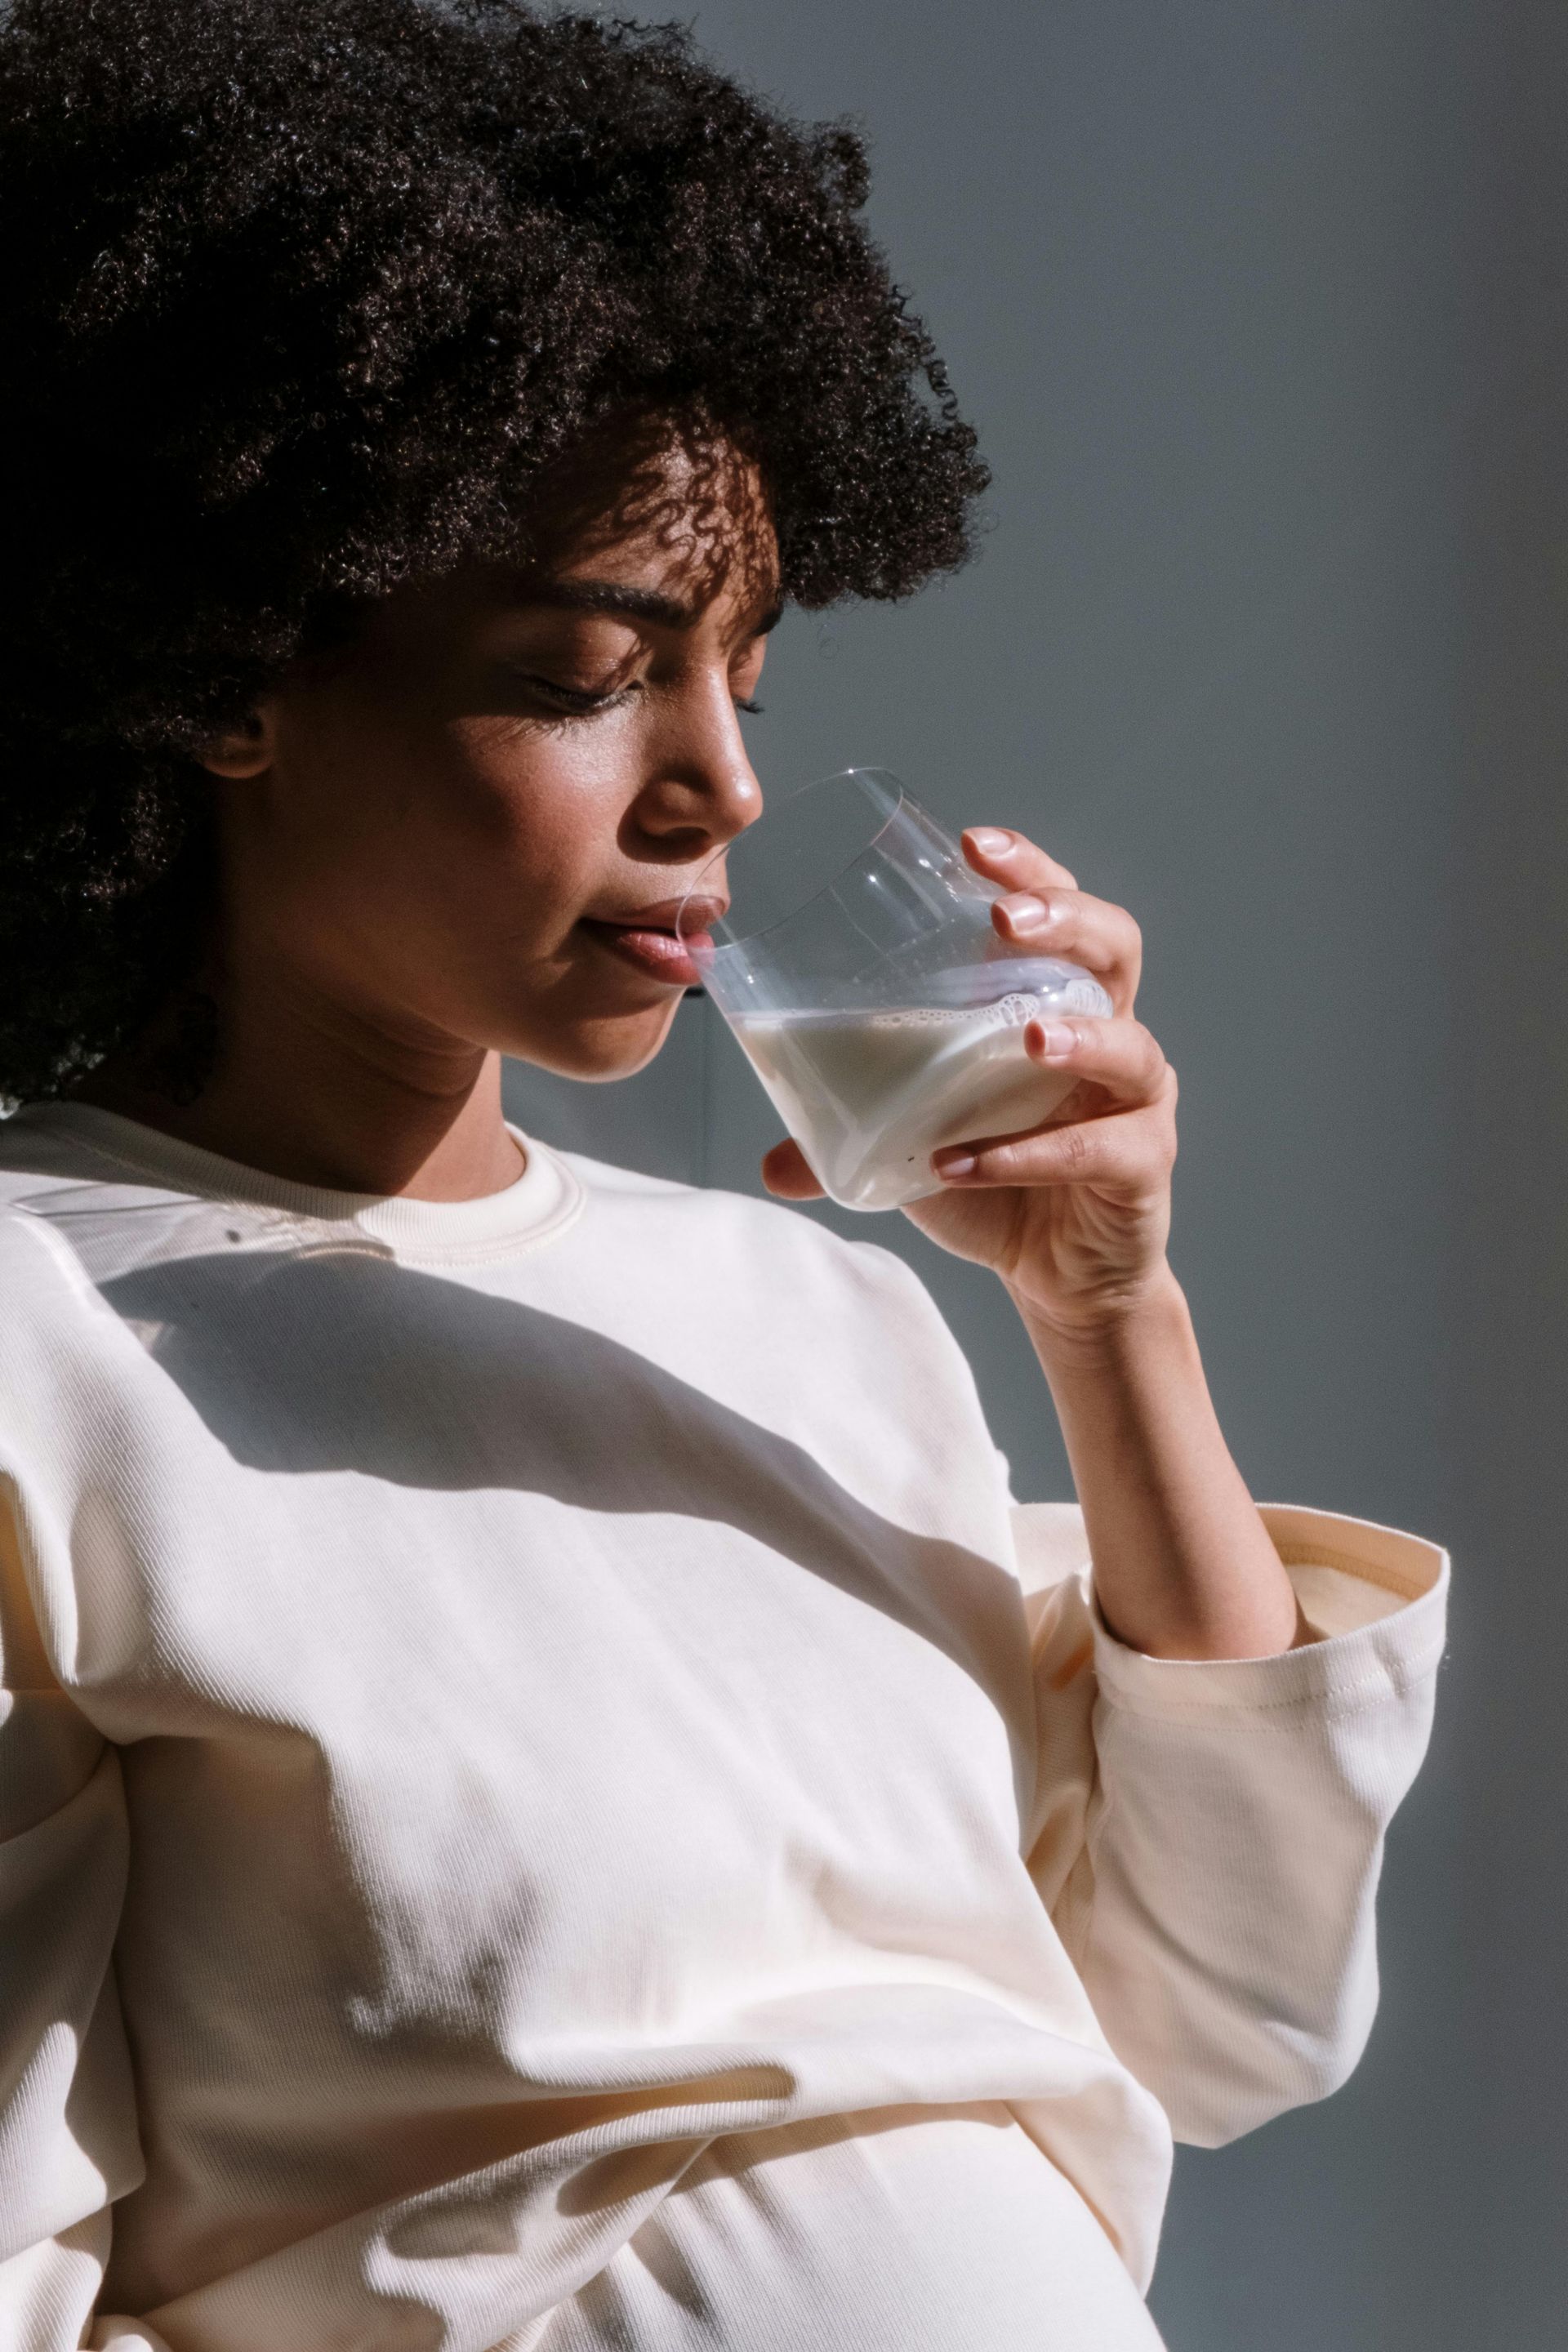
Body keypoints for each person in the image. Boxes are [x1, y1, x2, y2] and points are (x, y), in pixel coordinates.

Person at [0, 3, 1447, 2347]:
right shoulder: (35, 1336)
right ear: (226, 676)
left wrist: (1102, 1309)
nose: (721, 786)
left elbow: (1232, 2017)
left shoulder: (822, 1318)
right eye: (593, 672)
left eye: (743, 683)